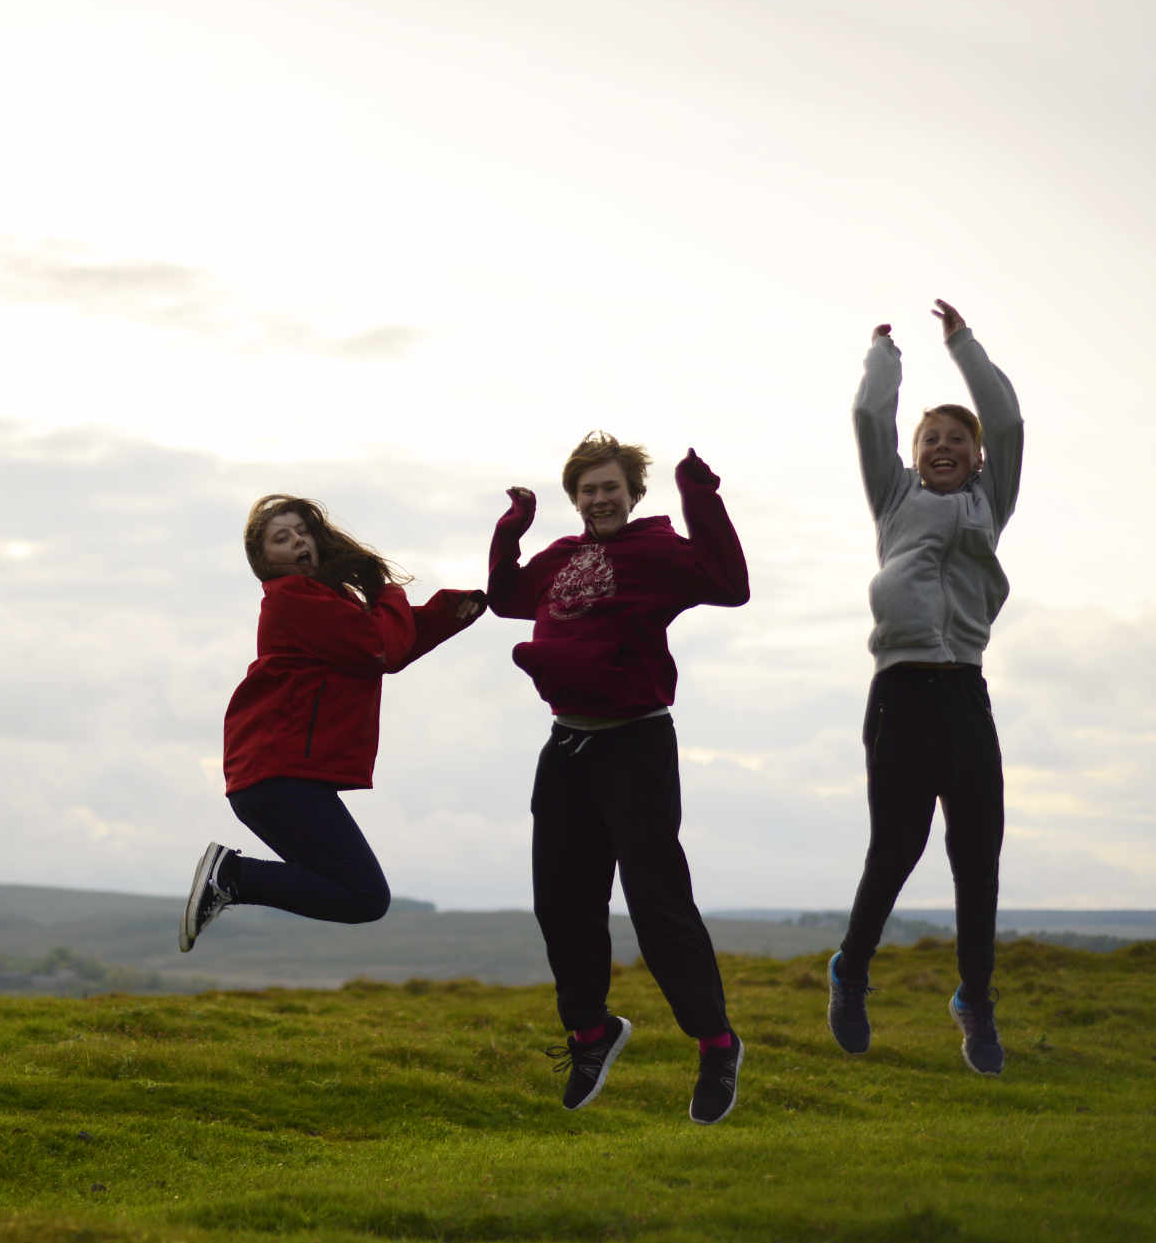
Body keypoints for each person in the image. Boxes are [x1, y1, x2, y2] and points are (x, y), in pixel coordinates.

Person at [488, 433, 750, 1123]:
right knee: (562, 904)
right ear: (574, 498)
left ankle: (716, 1043)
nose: (600, 498)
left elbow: (730, 584)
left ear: (634, 494)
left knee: (658, 906)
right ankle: (591, 1032)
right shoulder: (561, 558)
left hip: (635, 746)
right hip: (567, 749)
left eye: (611, 487)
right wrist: (509, 533)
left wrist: (702, 499)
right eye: (587, 489)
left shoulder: (657, 552)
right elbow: (509, 597)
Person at [827, 299, 1023, 1076]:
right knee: (896, 847)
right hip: (900, 694)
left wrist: (962, 345)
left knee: (977, 857)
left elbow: (1005, 420)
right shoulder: (895, 498)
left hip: (965, 695)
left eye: (956, 440)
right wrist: (886, 357)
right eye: (930, 440)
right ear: (913, 457)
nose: (943, 447)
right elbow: (870, 418)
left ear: (976, 459)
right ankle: (851, 971)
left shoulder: (989, 502)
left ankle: (975, 1001)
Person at [177, 495, 484, 954]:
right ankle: (232, 876)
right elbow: (380, 648)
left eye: (302, 531)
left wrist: (446, 615)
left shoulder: (326, 601)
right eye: (282, 538)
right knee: (362, 895)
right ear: (264, 562)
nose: (298, 540)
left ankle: (232, 879)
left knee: (358, 894)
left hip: (276, 776)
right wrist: (388, 590)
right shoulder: (293, 600)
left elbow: (381, 649)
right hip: (278, 774)